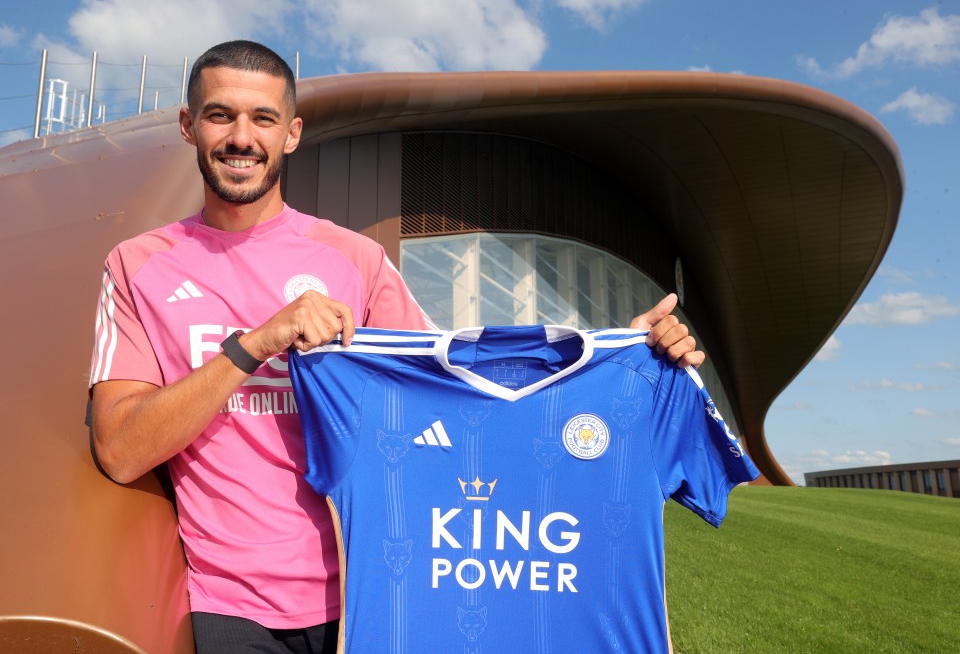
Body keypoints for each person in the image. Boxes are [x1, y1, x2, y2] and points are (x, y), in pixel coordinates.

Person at [88, 40, 705, 652]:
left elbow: (464, 400)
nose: (241, 137)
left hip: (381, 593)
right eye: (221, 115)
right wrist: (254, 345)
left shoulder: (356, 261)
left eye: (264, 119)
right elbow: (119, 448)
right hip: (233, 604)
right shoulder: (139, 266)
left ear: (293, 133)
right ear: (188, 125)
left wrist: (621, 356)